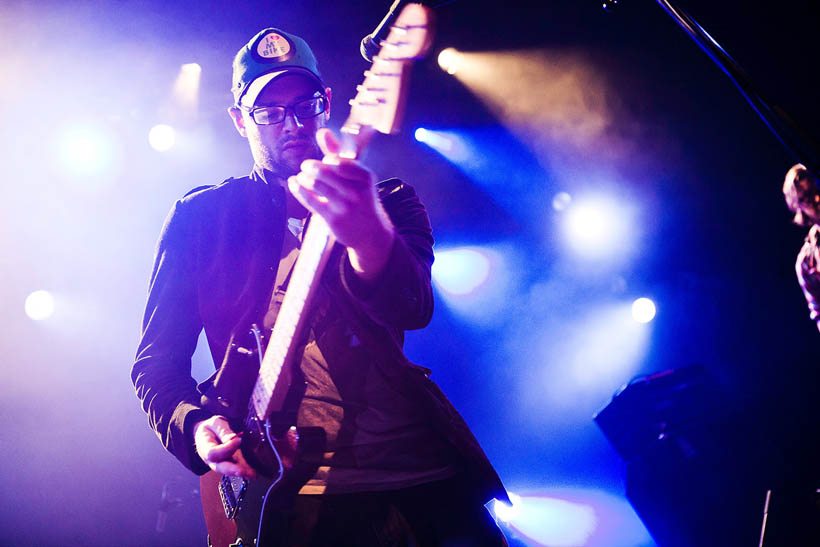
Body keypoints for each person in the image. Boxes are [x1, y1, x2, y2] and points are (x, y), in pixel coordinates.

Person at [132, 27, 509, 545]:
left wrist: (368, 234)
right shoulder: (203, 218)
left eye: (304, 104)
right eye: (268, 112)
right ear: (240, 121)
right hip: (289, 497)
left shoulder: (389, 202)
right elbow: (155, 364)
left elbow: (413, 306)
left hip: (423, 477)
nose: (291, 123)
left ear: (328, 104)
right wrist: (198, 429)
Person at [783, 163, 820, 333]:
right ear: (799, 207)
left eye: (816, 190)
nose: (817, 199)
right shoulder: (806, 263)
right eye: (807, 197)